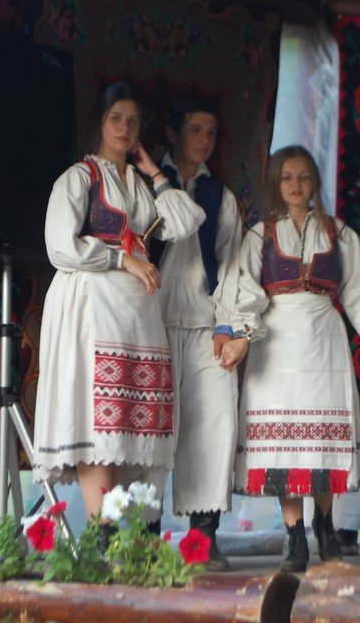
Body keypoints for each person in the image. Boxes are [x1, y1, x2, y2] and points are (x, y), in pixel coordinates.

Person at [33, 81, 205, 532]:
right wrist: (120, 259)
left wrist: (155, 172)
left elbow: (187, 222)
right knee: (98, 421)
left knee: (123, 425)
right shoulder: (79, 178)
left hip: (135, 318)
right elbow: (59, 247)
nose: (124, 128)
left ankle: (116, 533)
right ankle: (102, 533)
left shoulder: (141, 187)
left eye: (132, 121)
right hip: (91, 309)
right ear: (100, 123)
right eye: (116, 118)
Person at [219, 145, 360, 572]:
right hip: (276, 342)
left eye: (303, 177)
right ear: (275, 184)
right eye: (287, 177)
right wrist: (242, 335)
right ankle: (295, 535)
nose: (296, 185)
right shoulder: (260, 235)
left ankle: (325, 523)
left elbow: (358, 288)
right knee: (282, 440)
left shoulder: (338, 233)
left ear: (314, 182)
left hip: (323, 340)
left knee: (321, 437)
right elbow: (246, 291)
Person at [151, 98, 243, 571]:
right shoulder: (145, 185)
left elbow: (232, 264)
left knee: (213, 419)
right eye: (195, 130)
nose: (205, 140)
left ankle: (203, 536)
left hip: (207, 324)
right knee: (151, 423)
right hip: (154, 320)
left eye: (211, 132)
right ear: (173, 133)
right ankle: (142, 536)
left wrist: (228, 325)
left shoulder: (219, 194)